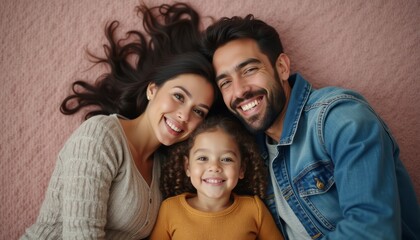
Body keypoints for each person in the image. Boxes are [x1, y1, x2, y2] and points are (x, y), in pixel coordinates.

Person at [201, 15, 420, 239]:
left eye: (249, 70)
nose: (239, 91)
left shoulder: (340, 120)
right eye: (226, 82)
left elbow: (372, 232)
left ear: (282, 67)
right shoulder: (247, 151)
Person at [21, 3, 219, 239]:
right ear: (152, 90)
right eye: (178, 96)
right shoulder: (101, 135)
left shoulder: (162, 167)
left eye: (198, 111)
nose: (184, 116)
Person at [149, 115, 284, 240]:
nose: (214, 167)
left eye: (226, 159)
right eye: (203, 158)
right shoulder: (170, 209)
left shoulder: (255, 209)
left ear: (241, 169)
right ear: (187, 166)